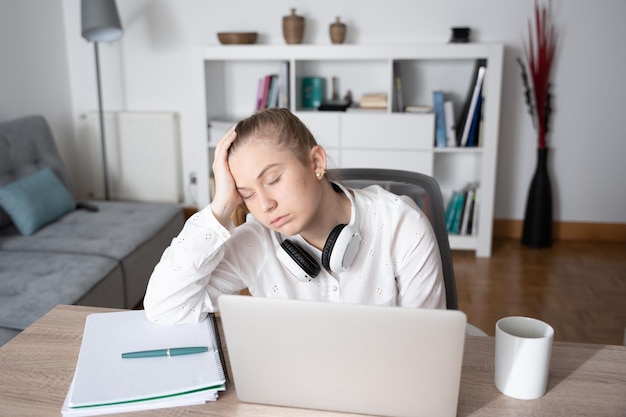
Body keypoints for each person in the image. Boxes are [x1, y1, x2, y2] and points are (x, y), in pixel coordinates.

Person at [143, 108, 445, 325]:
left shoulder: (402, 225)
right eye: (247, 193)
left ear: (316, 162)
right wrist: (221, 206)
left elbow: (427, 343)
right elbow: (165, 309)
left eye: (273, 179)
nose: (265, 205)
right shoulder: (254, 242)